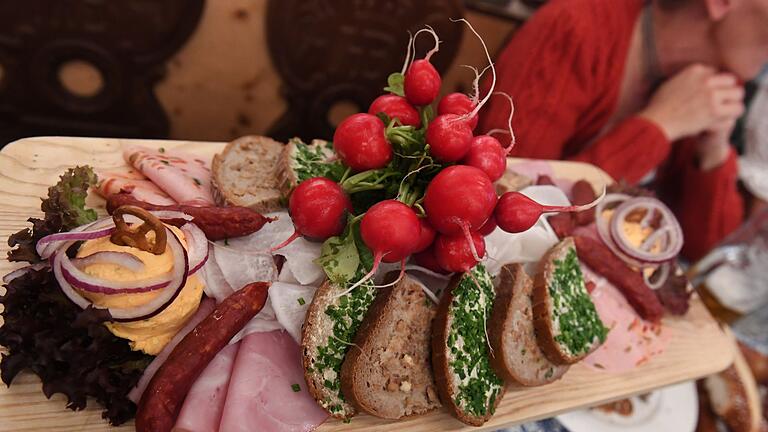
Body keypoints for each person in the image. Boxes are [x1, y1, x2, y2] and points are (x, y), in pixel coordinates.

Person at [479, 0, 768, 260]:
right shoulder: (574, 24)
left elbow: (704, 253)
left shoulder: (711, 82)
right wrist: (659, 126)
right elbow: (511, 196)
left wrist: (713, 151)